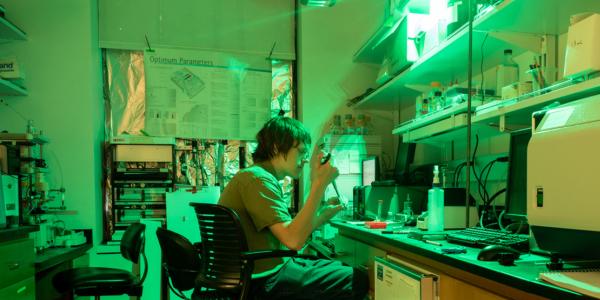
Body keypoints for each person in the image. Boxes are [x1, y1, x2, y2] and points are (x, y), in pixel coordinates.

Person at [218, 116, 369, 300]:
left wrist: (321, 215)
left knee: (339, 267)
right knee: (356, 279)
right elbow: (293, 240)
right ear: (276, 148)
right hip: (262, 280)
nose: (305, 160)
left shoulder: (256, 177)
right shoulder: (258, 179)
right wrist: (319, 183)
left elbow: (289, 231)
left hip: (260, 272)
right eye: (301, 151)